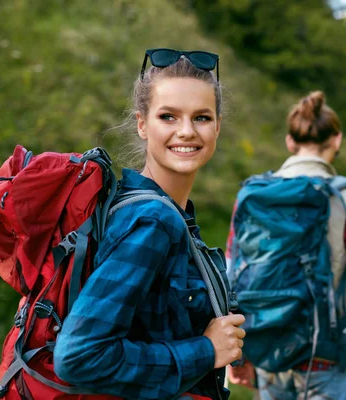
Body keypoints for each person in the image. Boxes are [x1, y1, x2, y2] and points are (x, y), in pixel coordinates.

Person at [54, 49, 245, 400]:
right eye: (168, 117)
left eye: (201, 118)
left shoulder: (166, 210)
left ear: (218, 126)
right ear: (143, 124)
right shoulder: (153, 220)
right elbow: (79, 357)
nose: (186, 131)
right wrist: (205, 351)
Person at [225, 91, 346, 400]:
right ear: (336, 140)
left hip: (269, 353)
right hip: (325, 355)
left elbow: (231, 278)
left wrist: (239, 356)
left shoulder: (252, 196)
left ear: (289, 142)